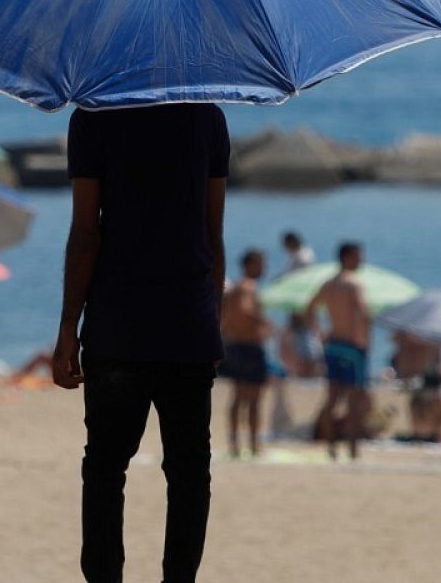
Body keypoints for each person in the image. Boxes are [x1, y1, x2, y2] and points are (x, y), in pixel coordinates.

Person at [51, 103, 229, 583]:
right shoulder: (207, 117)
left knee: (105, 470)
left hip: (117, 325)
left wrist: (68, 325)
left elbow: (86, 233)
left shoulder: (93, 116)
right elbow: (212, 233)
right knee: (189, 474)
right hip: (188, 324)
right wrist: (213, 318)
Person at [309, 242, 372, 460]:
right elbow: (364, 313)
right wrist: (366, 341)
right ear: (346, 257)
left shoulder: (328, 284)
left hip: (333, 344)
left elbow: (309, 309)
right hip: (352, 346)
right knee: (354, 400)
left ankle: (331, 447)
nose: (361, 260)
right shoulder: (354, 284)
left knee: (332, 397)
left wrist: (320, 332)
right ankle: (353, 449)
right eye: (357, 256)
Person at [219, 249, 272, 458]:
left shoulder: (234, 289)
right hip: (249, 348)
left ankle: (235, 444)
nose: (264, 268)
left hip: (235, 346)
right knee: (253, 399)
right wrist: (264, 322)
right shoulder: (248, 286)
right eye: (261, 264)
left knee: (239, 397)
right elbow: (245, 310)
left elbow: (226, 317)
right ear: (250, 265)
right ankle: (253, 444)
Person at [277, 310, 323, 378]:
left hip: (303, 368)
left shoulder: (313, 331)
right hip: (300, 368)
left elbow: (283, 355)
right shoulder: (289, 334)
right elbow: (284, 355)